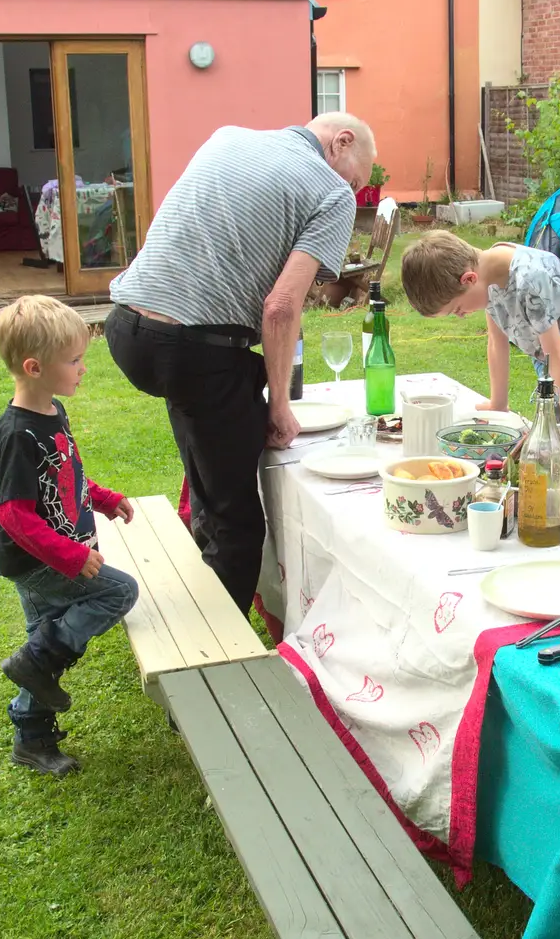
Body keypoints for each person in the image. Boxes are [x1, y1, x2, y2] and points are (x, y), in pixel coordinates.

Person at [105, 114, 374, 616]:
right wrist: (279, 405)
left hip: (127, 328)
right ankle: (215, 658)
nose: (353, 193)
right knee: (241, 527)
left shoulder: (226, 137)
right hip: (191, 350)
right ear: (341, 142)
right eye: (357, 181)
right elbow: (280, 307)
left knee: (218, 455)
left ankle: (200, 559)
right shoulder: (331, 194)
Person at [0, 296, 140, 776]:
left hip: (58, 556)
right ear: (35, 367)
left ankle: (31, 737)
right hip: (39, 563)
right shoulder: (16, 434)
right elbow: (14, 515)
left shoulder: (51, 411)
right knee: (120, 591)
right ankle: (36, 659)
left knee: (45, 639)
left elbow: (64, 477)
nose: (83, 369)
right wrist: (71, 557)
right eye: (74, 361)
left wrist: (102, 498)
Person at [399, 230, 560, 482]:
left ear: (468, 279)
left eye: (457, 309)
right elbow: (496, 341)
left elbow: (558, 362)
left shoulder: (530, 279)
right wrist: (498, 403)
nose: (461, 315)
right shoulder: (489, 272)